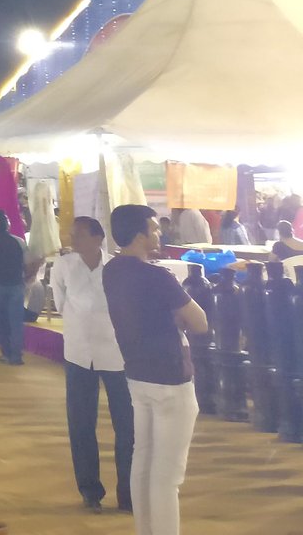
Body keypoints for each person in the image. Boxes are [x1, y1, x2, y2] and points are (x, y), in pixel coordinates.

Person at [103, 205, 206, 535]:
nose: (159, 233)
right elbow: (200, 321)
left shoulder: (112, 271)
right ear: (139, 235)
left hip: (138, 374)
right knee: (167, 476)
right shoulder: (157, 276)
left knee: (144, 463)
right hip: (170, 378)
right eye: (154, 228)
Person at [52, 215, 133, 514]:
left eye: (81, 235)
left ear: (99, 238)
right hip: (78, 354)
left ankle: (128, 493)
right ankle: (89, 490)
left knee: (126, 426)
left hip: (115, 354)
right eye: (72, 235)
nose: (74, 241)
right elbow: (61, 304)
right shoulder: (63, 267)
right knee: (81, 424)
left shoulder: (116, 268)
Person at [0, 209, 27, 365]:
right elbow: (27, 264)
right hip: (16, 284)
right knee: (16, 321)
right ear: (7, 224)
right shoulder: (19, 242)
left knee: (0, 320)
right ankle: (16, 355)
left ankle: (6, 352)